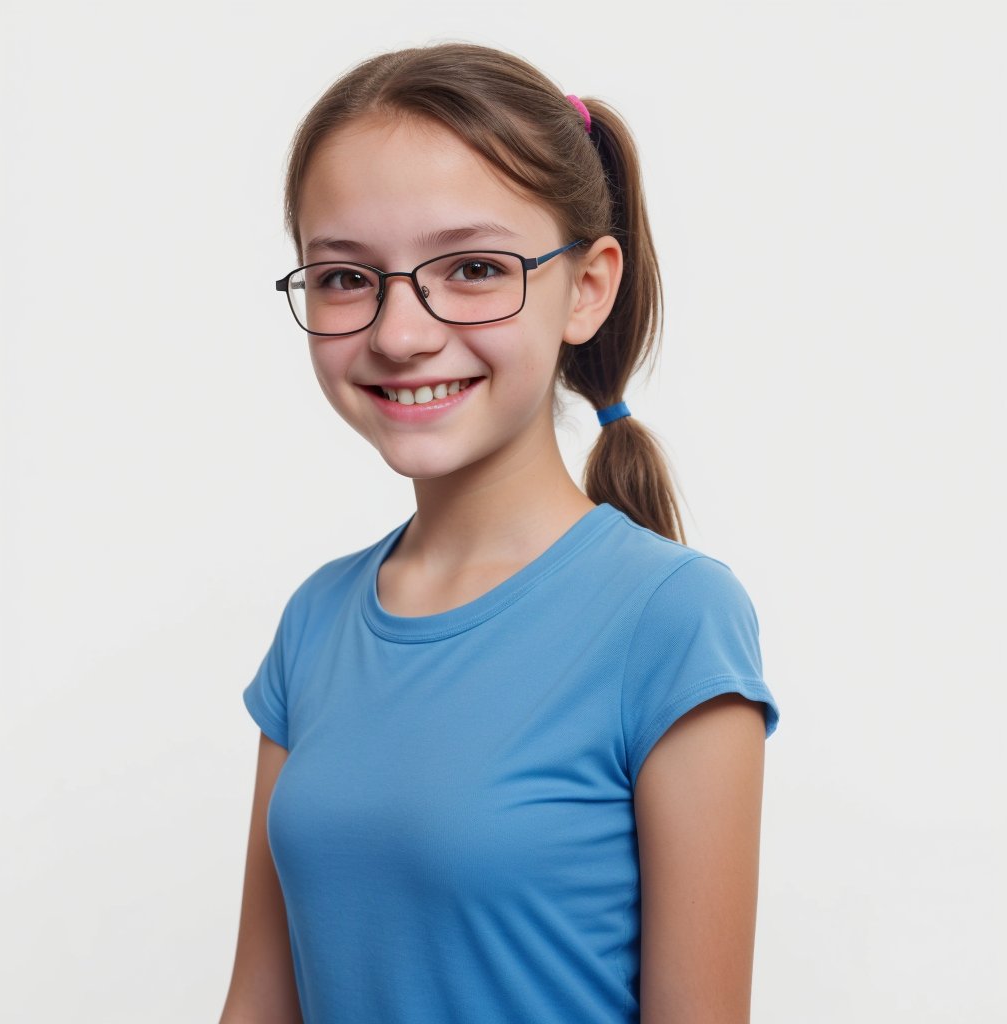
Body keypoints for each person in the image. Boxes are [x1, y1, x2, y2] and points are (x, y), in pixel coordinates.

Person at [219, 42, 780, 1024]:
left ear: (589, 287)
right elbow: (258, 1006)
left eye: (472, 267)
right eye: (346, 278)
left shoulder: (672, 619)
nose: (400, 332)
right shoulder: (315, 621)